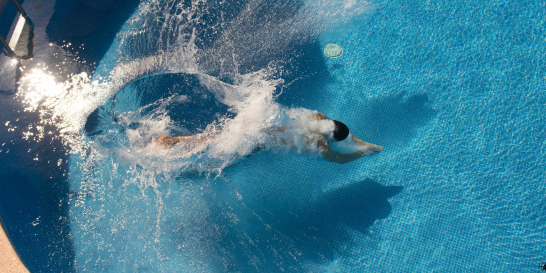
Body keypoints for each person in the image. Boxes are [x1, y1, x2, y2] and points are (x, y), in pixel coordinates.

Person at [152, 110, 382, 164]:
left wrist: (361, 142)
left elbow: (339, 129)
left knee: (211, 137)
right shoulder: (320, 146)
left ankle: (169, 142)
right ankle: (172, 156)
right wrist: (361, 151)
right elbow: (339, 160)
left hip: (258, 122)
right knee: (217, 151)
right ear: (330, 138)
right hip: (255, 143)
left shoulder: (317, 117)